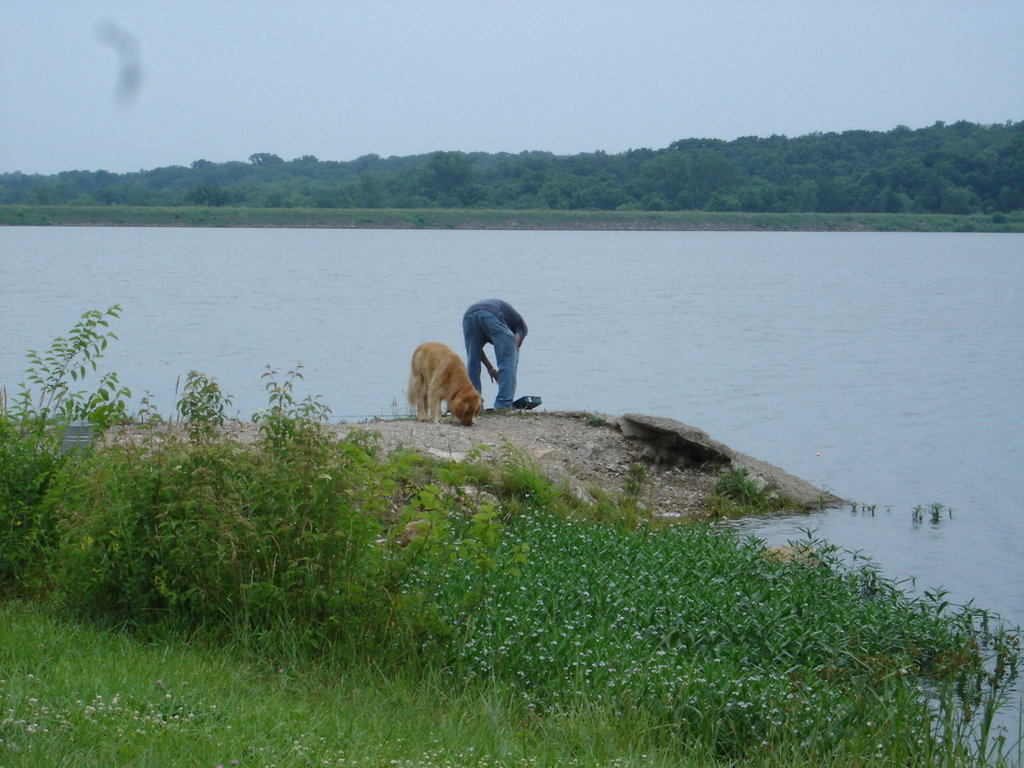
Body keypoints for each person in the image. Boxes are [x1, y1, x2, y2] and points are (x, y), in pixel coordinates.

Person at [462, 299, 527, 410]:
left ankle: (473, 404)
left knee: (473, 359)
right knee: (509, 359)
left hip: (469, 315)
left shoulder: (505, 316)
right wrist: (510, 368)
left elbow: (478, 351)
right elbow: (513, 347)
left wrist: (491, 369)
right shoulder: (522, 327)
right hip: (491, 314)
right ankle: (503, 404)